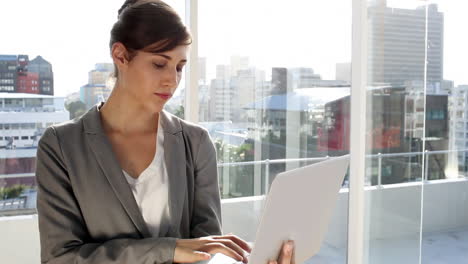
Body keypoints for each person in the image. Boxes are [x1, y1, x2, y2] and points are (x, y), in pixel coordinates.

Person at [36, 0, 294, 263]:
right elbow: (60, 258)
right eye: (160, 64)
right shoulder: (60, 146)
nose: (172, 79)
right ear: (120, 55)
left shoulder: (196, 143)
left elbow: (206, 255)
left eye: (180, 67)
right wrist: (168, 249)